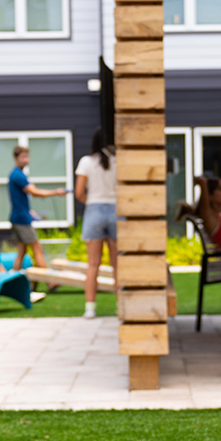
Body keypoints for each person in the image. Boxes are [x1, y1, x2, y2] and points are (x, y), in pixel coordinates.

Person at [75, 130, 119, 318]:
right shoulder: (119, 161)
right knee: (118, 265)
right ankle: (121, 307)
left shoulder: (86, 162)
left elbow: (78, 193)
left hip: (94, 210)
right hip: (117, 211)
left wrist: (91, 202)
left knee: (93, 264)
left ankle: (90, 308)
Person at [9, 145, 68, 272]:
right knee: (37, 247)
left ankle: (14, 277)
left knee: (21, 250)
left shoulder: (17, 174)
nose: (26, 160)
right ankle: (49, 280)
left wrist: (29, 211)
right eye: (23, 157)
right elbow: (35, 193)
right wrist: (56, 192)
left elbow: (19, 198)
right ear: (16, 158)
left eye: (27, 157)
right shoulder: (17, 175)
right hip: (22, 219)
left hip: (19, 216)